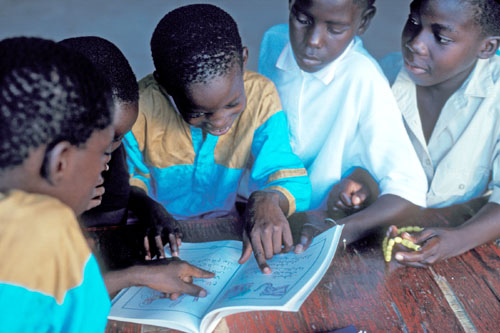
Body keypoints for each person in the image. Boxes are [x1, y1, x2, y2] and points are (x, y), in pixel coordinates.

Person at [0, 37, 212, 331]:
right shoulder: (53, 241)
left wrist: (133, 275)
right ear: (60, 161)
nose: (106, 165)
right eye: (103, 152)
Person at [124, 4, 311, 274]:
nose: (220, 122)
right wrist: (148, 207)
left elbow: (284, 173)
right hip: (153, 231)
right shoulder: (140, 106)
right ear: (165, 85)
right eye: (199, 112)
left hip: (226, 230)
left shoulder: (261, 97)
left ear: (243, 60)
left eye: (233, 103)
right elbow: (127, 180)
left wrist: (269, 198)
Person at [258, 0, 428, 250]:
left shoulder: (363, 76)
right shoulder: (274, 42)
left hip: (311, 222)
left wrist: (337, 233)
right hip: (257, 208)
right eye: (303, 20)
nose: (313, 40)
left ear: (364, 22)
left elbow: (408, 191)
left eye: (335, 29)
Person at [376, 0, 500, 267]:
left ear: (486, 48)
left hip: (469, 246)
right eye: (414, 23)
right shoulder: (384, 76)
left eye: (441, 37)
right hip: (384, 234)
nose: (416, 43)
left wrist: (457, 239)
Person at [58, 36, 180, 262]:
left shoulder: (108, 152)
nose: (107, 158)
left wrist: (148, 207)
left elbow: (111, 213)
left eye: (118, 138)